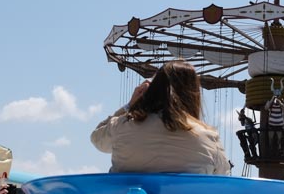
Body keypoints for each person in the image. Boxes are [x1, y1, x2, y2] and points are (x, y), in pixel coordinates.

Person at [91, 60, 232, 175]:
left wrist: (130, 106)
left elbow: (97, 139)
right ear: (193, 95)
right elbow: (223, 178)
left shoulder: (121, 126)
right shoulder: (208, 136)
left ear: (153, 90)